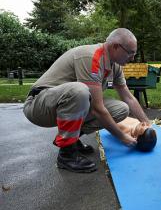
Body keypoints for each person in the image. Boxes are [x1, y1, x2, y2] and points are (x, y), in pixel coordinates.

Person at [23, 28, 151, 173]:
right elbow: (97, 109)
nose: (132, 58)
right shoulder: (92, 57)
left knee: (121, 109)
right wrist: (123, 137)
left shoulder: (115, 66)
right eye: (130, 53)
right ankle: (66, 155)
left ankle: (72, 140)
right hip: (39, 105)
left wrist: (147, 123)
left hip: (61, 105)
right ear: (115, 46)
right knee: (80, 91)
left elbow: (128, 97)